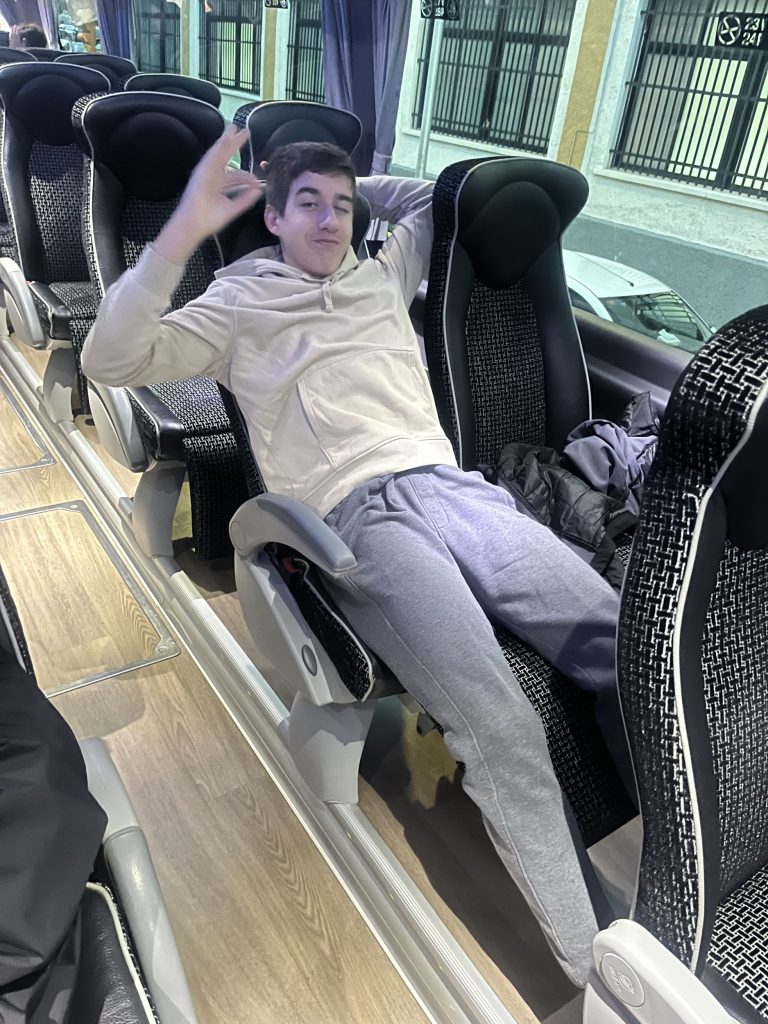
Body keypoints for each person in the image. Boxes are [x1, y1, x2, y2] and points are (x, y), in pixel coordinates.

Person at [82, 127, 630, 987]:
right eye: (308, 205)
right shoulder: (236, 302)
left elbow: (432, 199)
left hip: (455, 489)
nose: (330, 220)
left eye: (341, 207)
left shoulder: (385, 271)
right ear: (272, 218)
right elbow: (109, 358)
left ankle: (690, 852)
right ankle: (600, 967)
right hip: (361, 517)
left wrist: (334, 183)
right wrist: (186, 228)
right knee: (499, 724)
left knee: (624, 643)